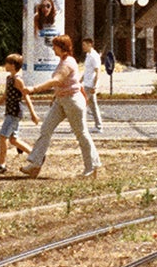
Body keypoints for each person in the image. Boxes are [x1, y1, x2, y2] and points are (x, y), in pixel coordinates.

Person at [23, 35, 100, 178]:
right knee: (45, 129)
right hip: (61, 100)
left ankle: (92, 167)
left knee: (81, 134)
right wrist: (55, 97)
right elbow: (68, 83)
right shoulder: (63, 61)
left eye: (55, 46)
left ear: (62, 47)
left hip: (72, 101)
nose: (53, 49)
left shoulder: (67, 63)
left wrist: (34, 89)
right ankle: (35, 164)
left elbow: (57, 80)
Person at [0, 54, 38, 175]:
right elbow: (5, 95)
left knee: (3, 136)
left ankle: (1, 164)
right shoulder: (9, 78)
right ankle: (37, 156)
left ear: (13, 66)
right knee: (13, 139)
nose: (5, 65)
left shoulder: (18, 80)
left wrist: (33, 114)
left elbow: (26, 96)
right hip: (10, 112)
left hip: (14, 112)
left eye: (7, 63)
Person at [80, 35, 104, 129]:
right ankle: (98, 126)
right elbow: (87, 71)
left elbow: (98, 71)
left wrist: (95, 86)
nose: (83, 47)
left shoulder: (94, 56)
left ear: (90, 44)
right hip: (86, 83)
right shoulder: (88, 55)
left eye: (85, 45)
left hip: (90, 85)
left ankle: (80, 126)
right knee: (93, 106)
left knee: (81, 105)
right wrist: (80, 80)